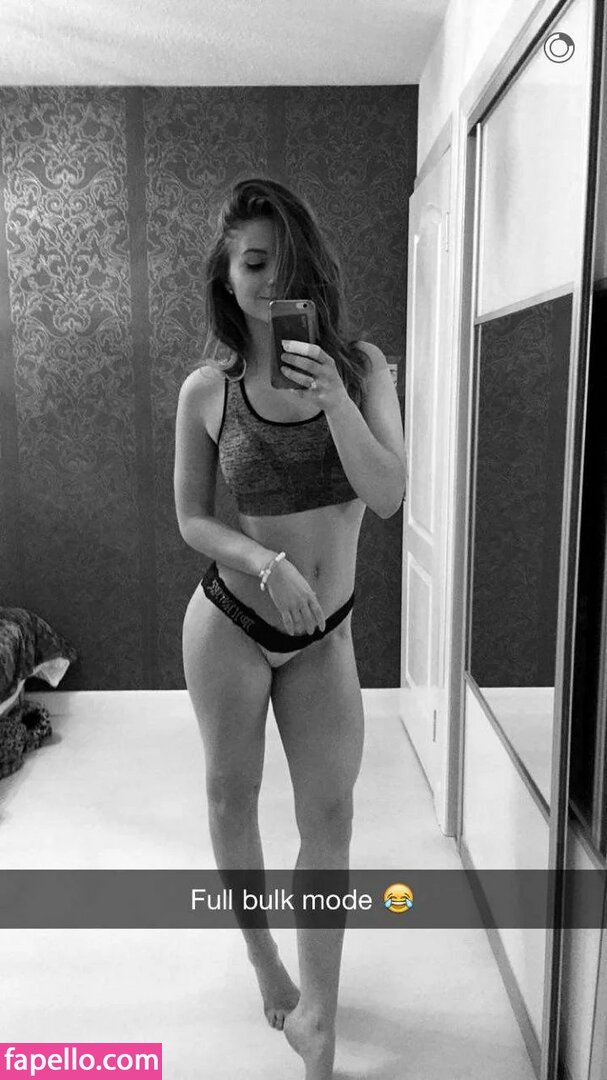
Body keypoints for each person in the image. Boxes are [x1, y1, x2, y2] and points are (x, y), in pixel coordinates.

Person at [175, 176, 406, 1080]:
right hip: (231, 621)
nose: (271, 280)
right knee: (230, 799)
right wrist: (264, 561)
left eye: (286, 261)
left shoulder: (364, 369)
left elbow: (385, 495)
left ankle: (319, 1022)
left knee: (330, 817)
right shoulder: (208, 389)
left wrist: (337, 400)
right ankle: (266, 960)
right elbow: (193, 520)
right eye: (253, 263)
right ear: (227, 277)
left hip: (325, 637)